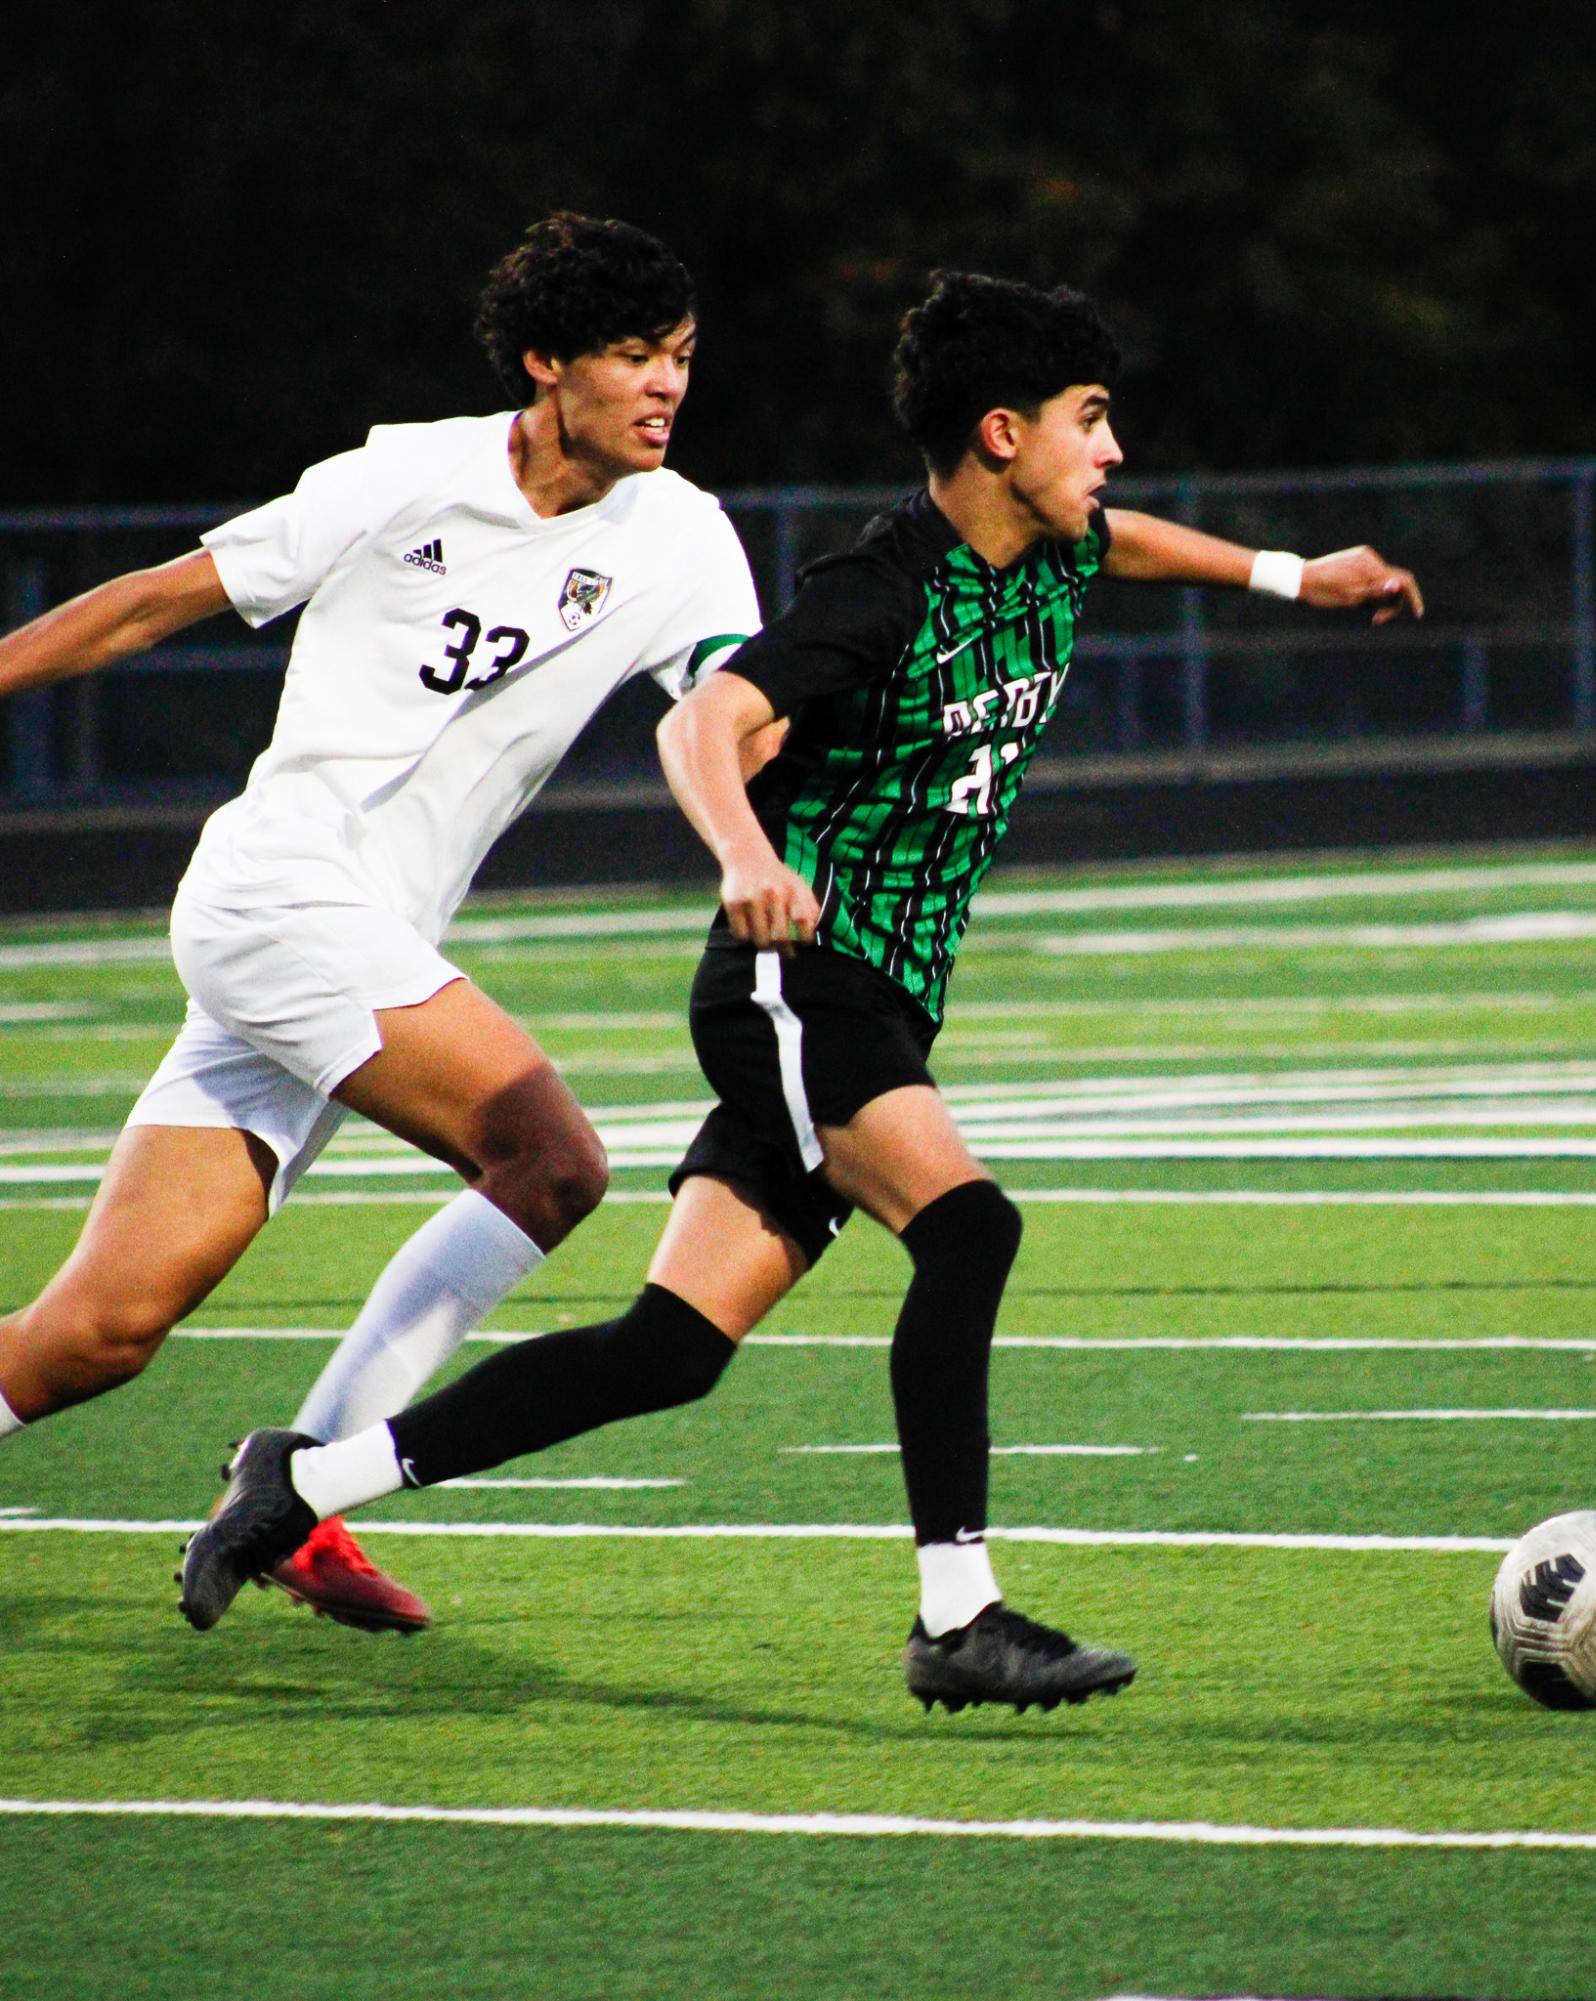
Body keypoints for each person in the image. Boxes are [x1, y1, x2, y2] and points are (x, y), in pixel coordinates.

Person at [179, 271, 1423, 1710]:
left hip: (884, 996)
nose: (1113, 450)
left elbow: (1129, 543)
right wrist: (743, 855)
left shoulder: (1056, 547)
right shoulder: (878, 592)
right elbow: (708, 719)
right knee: (969, 1227)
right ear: (1003, 435)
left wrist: (1291, 575)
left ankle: (301, 1475)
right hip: (799, 980)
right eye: (1092, 421)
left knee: (669, 1349)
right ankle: (958, 1616)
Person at [0, 213, 759, 1633]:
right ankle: (304, 1493)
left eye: (683, 356)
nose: (667, 384)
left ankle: (291, 1495)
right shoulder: (401, 472)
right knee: (549, 1159)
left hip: (353, 946)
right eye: (633, 356)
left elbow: (730, 709)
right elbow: (156, 601)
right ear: (547, 364)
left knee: (92, 1335)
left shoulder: (685, 537)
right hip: (279, 893)